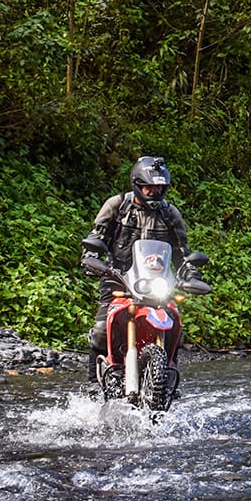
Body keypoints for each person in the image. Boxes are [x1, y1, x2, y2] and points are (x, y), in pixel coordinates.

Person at [81, 155, 200, 382]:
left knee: (175, 324)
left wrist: (190, 272)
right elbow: (97, 236)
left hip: (157, 280)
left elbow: (181, 251)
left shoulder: (170, 214)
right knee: (99, 330)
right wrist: (91, 257)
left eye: (159, 188)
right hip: (117, 276)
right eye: (149, 188)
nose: (154, 193)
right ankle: (93, 385)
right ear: (137, 185)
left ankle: (169, 378)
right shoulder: (117, 206)